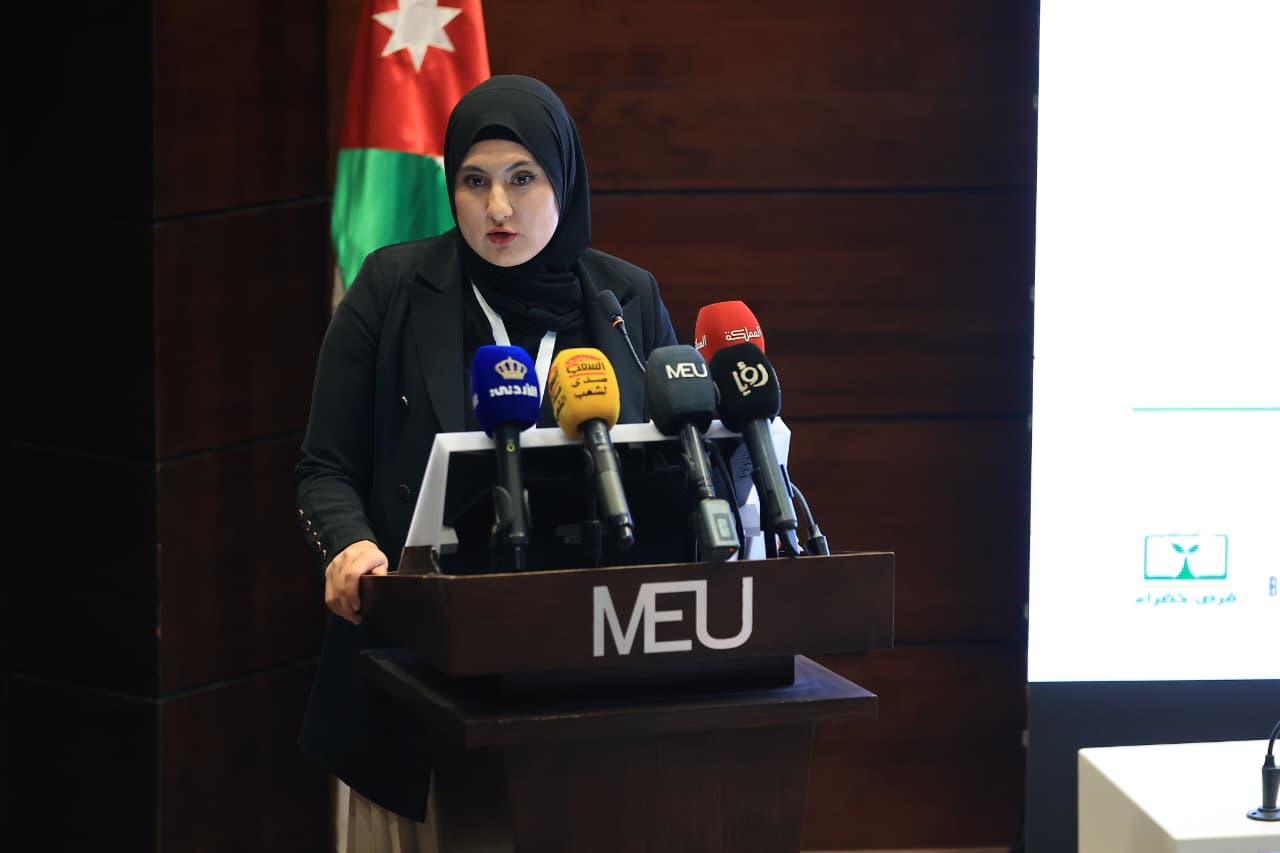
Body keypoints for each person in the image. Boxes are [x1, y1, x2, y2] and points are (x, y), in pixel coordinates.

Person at [294, 74, 679, 850]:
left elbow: (670, 460)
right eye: (474, 181)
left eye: (522, 178)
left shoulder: (626, 300)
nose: (497, 207)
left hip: (593, 667)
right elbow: (325, 467)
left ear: (563, 179)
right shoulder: (392, 288)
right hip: (416, 667)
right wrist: (350, 543)